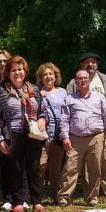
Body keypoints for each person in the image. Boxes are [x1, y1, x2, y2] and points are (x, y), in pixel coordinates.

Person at [0, 56, 47, 212]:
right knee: (16, 168)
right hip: (13, 133)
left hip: (33, 134)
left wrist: (42, 119)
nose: (17, 73)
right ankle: (18, 201)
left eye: (20, 69)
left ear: (25, 71)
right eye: (14, 70)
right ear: (8, 73)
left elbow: (43, 110)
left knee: (34, 167)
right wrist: (0, 139)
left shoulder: (34, 89)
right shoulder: (2, 91)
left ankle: (36, 201)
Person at [66, 52, 106, 201]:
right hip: (80, 133)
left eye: (93, 62)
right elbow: (69, 106)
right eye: (87, 62)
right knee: (89, 166)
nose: (90, 64)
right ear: (82, 65)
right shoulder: (72, 83)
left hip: (103, 130)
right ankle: (91, 196)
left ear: (97, 64)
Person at [58, 69, 106, 207]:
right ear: (75, 81)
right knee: (70, 168)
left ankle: (92, 198)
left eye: (85, 78)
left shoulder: (99, 97)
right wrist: (65, 137)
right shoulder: (69, 98)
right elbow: (64, 119)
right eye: (79, 78)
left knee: (94, 169)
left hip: (96, 137)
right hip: (75, 138)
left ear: (89, 80)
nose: (83, 80)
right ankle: (64, 197)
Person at [36, 62, 67, 200]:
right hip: (43, 135)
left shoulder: (63, 92)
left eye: (51, 74)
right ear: (41, 78)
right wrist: (39, 96)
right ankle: (36, 197)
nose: (48, 77)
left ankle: (57, 196)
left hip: (59, 134)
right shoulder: (37, 92)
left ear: (56, 76)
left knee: (56, 167)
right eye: (45, 75)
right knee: (41, 166)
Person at [0, 49, 16, 210]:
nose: (2, 64)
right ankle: (3, 197)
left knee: (14, 164)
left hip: (12, 130)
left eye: (5, 61)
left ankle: (15, 197)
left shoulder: (16, 81)